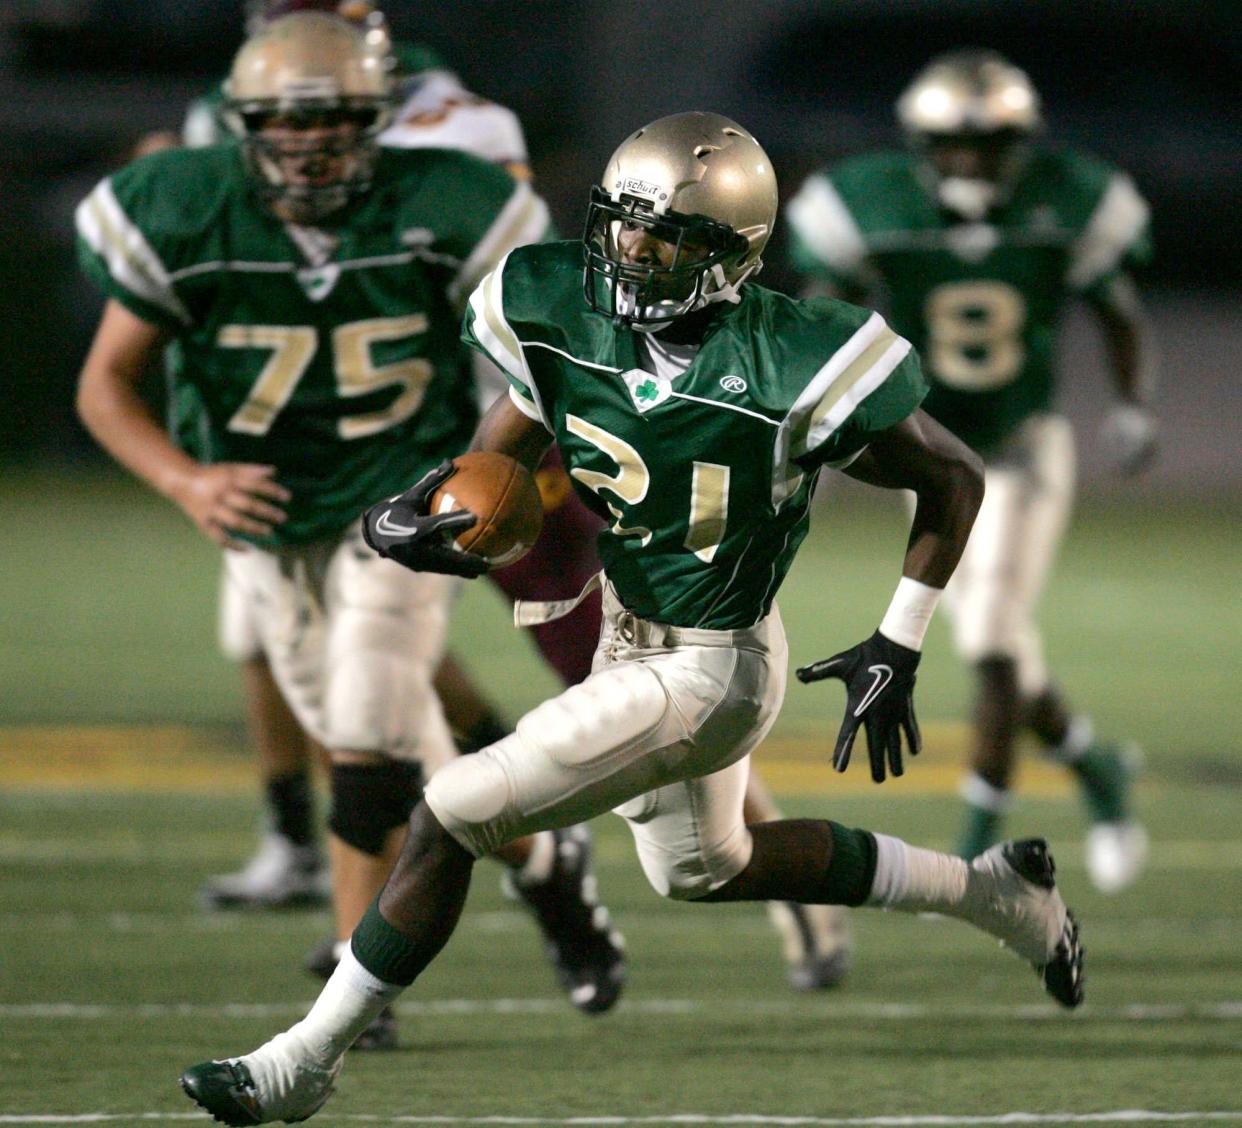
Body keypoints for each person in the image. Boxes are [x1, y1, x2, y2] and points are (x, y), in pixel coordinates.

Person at [180, 111, 1085, 1126]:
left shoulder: (798, 358)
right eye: (621, 225)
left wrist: (901, 637)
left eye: (664, 237)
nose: (631, 252)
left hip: (712, 668)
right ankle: (996, 893)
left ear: (730, 254)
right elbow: (499, 457)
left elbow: (954, 476)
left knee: (451, 812)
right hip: (630, 631)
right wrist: (429, 509)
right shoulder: (558, 311)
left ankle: (304, 1061)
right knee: (708, 868)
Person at [165, 0, 852, 989]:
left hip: (501, 443)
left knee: (606, 685)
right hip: (340, 452)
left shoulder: (457, 125)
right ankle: (504, 837)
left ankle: (780, 892)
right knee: (378, 677)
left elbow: (543, 289)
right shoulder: (233, 118)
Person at [74, 12, 627, 1048]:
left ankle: (350, 984)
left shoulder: (448, 201)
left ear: (377, 121)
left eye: (334, 122)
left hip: (399, 496)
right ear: (242, 126)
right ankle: (549, 864)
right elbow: (106, 386)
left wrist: (481, 468)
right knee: (384, 729)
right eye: (287, 124)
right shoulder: (183, 207)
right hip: (267, 511)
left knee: (370, 723)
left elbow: (533, 350)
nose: (311, 145)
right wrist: (189, 483)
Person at [785, 49, 1154, 892]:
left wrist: (1135, 404)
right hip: (929, 450)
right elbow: (816, 313)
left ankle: (976, 845)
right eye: (955, 144)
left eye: (991, 144)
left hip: (1022, 445)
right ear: (921, 142)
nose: (973, 162)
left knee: (989, 638)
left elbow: (1118, 308)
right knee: (1000, 642)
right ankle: (1095, 769)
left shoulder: (1071, 198)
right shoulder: (870, 203)